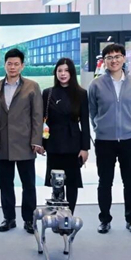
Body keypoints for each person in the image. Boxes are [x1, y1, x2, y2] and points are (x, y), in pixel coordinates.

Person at [88, 43, 131, 235]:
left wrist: (127, 124)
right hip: (105, 141)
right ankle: (104, 219)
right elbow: (93, 111)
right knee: (105, 182)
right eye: (109, 57)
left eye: (117, 56)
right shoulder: (96, 84)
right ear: (104, 61)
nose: (114, 60)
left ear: (124, 58)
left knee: (130, 182)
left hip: (129, 139)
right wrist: (100, 127)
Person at [0, 48, 44, 235]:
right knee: (5, 183)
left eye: (16, 64)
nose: (12, 67)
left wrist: (36, 140)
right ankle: (9, 218)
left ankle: (29, 219)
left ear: (22, 66)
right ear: (4, 65)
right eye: (9, 64)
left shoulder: (32, 86)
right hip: (3, 143)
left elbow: (37, 115)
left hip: (25, 143)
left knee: (28, 184)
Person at [41, 58, 90, 214]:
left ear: (72, 73)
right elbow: (43, 121)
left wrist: (85, 148)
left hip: (73, 143)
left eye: (66, 70)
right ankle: (57, 213)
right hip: (54, 143)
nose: (63, 74)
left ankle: (69, 214)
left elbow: (85, 122)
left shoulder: (81, 93)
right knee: (56, 182)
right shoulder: (48, 93)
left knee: (72, 183)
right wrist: (42, 143)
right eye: (60, 70)